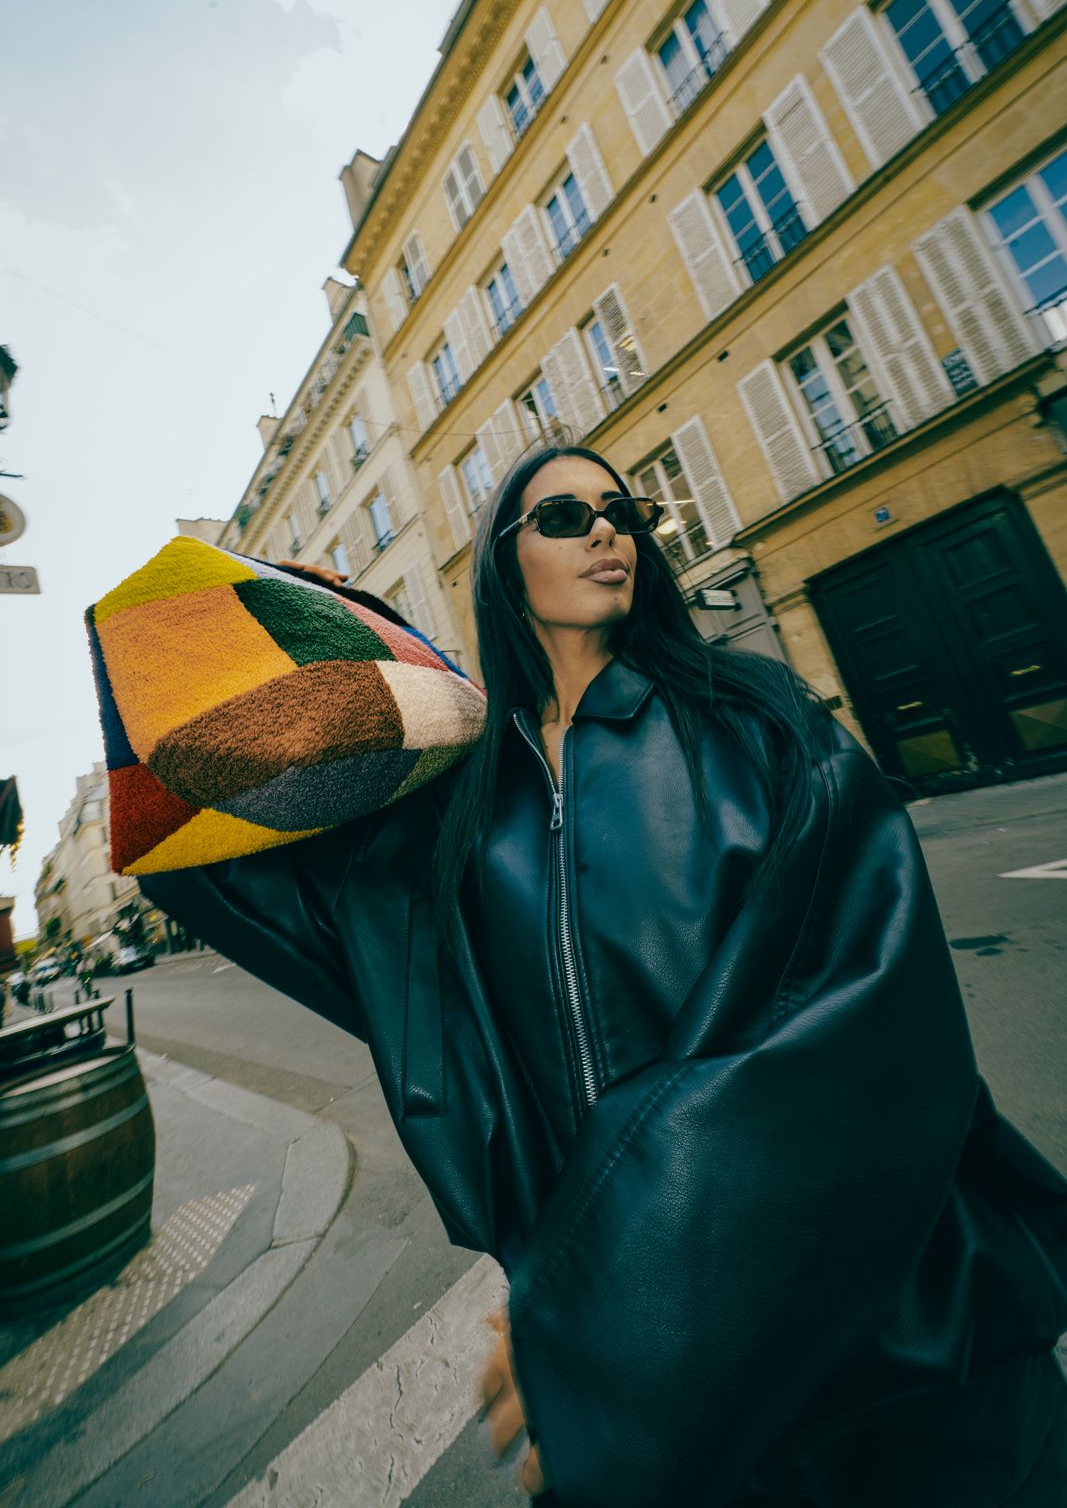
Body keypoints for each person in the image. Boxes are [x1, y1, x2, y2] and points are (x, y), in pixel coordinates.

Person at [142, 444, 1067, 1506]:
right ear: (500, 563)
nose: (605, 529)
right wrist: (337, 642)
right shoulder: (456, 809)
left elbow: (855, 1040)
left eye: (621, 511)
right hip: (669, 1425)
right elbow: (201, 838)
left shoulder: (756, 718)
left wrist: (595, 1313)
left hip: (897, 1351)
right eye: (566, 512)